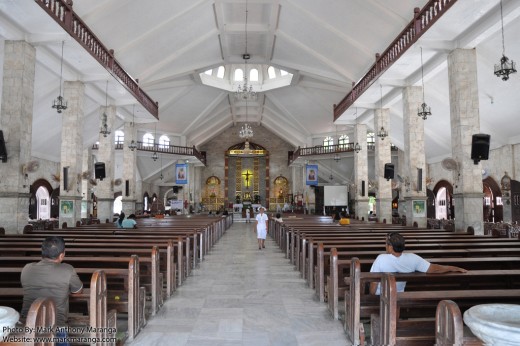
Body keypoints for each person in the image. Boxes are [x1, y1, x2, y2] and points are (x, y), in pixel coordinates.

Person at [21, 236, 83, 339]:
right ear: (62, 255)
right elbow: (78, 291)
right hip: (56, 325)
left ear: (43, 252)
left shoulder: (27, 268)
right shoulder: (67, 270)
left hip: (28, 323)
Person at [369, 232, 467, 295]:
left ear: (390, 247)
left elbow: (374, 283)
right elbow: (435, 269)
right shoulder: (413, 258)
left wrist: (371, 299)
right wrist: (453, 268)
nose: (385, 246)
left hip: (381, 296)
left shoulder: (381, 259)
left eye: (386, 243)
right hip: (399, 294)